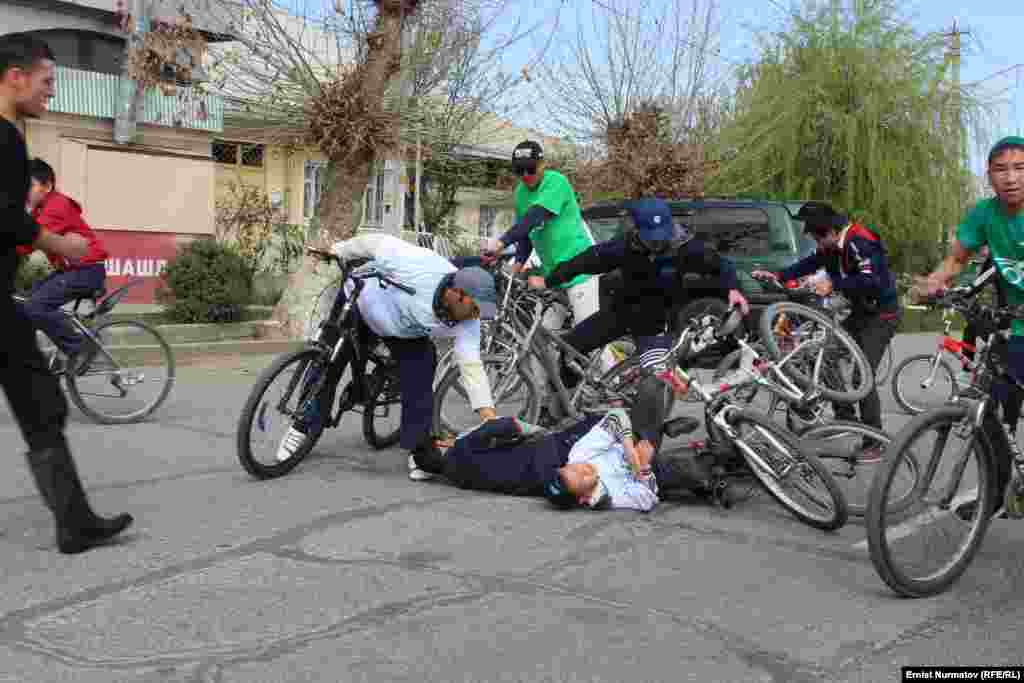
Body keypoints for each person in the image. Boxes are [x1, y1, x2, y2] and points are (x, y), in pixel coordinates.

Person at [0, 33, 132, 553]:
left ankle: (75, 522)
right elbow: (6, 220)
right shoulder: (4, 138)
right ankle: (74, 524)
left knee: (39, 403)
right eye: (48, 81)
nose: (51, 92)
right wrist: (62, 243)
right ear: (16, 76)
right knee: (40, 404)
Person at [277, 232, 500, 481]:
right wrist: (338, 250)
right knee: (328, 358)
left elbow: (471, 365)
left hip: (403, 331)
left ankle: (419, 452)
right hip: (362, 302)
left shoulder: (467, 321)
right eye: (475, 308)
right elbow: (376, 243)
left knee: (422, 368)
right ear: (458, 294)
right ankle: (302, 426)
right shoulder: (419, 264)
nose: (475, 316)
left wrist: (489, 417)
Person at [541, 198, 749, 414]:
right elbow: (585, 261)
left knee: (655, 382)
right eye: (652, 239)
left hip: (657, 323)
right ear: (638, 231)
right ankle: (568, 406)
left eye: (662, 237)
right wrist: (548, 281)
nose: (658, 244)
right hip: (621, 313)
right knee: (568, 348)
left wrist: (732, 289)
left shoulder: (685, 247)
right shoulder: (623, 247)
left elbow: (721, 265)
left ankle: (649, 428)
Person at [922, 135, 1024, 517]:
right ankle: (995, 495)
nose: (1011, 177)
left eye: (1020, 168)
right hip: (1012, 329)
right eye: (1001, 169)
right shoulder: (984, 214)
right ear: (990, 176)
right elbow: (957, 258)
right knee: (995, 417)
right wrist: (937, 279)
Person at [752, 202, 900, 443]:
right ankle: (846, 420)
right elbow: (810, 263)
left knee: (863, 378)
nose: (818, 247)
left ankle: (874, 440)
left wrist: (834, 285)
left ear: (831, 232)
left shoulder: (860, 240)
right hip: (859, 313)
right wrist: (778, 275)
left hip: (881, 316)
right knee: (828, 358)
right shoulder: (832, 246)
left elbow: (873, 281)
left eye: (818, 240)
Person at [412, 394, 708, 512]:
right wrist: (533, 430)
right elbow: (503, 426)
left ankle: (673, 464)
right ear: (441, 445)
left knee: (625, 469)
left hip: (546, 482)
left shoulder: (458, 479)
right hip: (553, 453)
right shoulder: (461, 447)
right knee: (599, 426)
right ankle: (658, 431)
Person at [480, 140, 613, 371]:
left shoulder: (556, 182)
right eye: (519, 170)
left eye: (530, 169)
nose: (525, 175)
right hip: (552, 277)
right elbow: (526, 233)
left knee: (590, 338)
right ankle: (542, 401)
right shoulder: (520, 192)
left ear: (542, 165)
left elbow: (535, 217)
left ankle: (616, 386)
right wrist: (518, 266)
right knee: (541, 340)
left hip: (580, 272)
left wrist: (500, 243)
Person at [17, 158, 109, 373]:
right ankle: (54, 354)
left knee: (35, 307)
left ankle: (82, 349)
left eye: (29, 185)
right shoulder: (41, 209)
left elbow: (27, 243)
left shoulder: (56, 206)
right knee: (25, 302)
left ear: (47, 185)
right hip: (71, 271)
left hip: (86, 271)